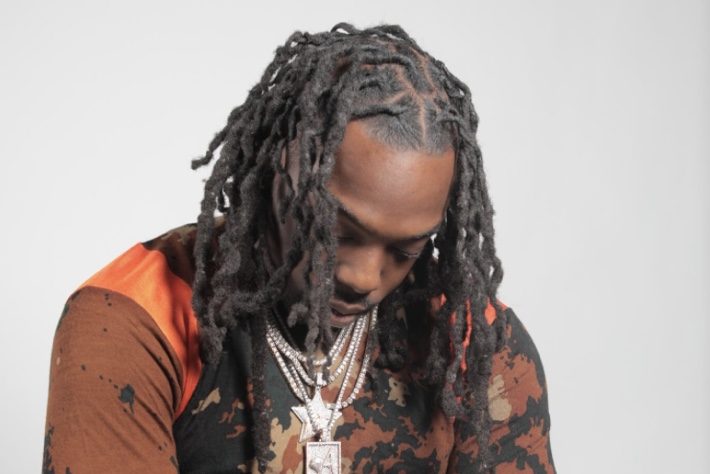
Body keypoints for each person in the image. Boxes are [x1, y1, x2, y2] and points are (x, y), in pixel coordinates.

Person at [43, 23, 555, 473]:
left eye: (404, 250)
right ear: (279, 171)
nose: (362, 277)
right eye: (335, 230)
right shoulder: (134, 321)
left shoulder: (474, 342)